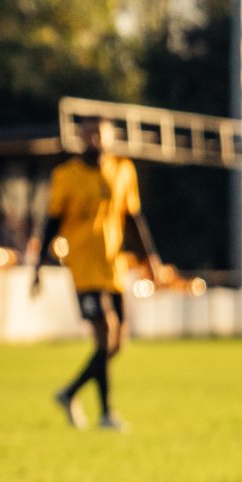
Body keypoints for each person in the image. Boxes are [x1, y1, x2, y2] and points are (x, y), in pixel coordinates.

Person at [28, 115, 162, 430]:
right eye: (88, 135)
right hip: (84, 267)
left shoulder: (123, 171)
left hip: (113, 265)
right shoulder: (66, 175)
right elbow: (51, 224)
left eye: (99, 135)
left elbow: (133, 219)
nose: (94, 141)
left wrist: (150, 260)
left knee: (117, 343)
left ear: (109, 137)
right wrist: (38, 266)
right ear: (80, 138)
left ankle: (70, 392)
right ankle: (106, 414)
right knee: (107, 332)